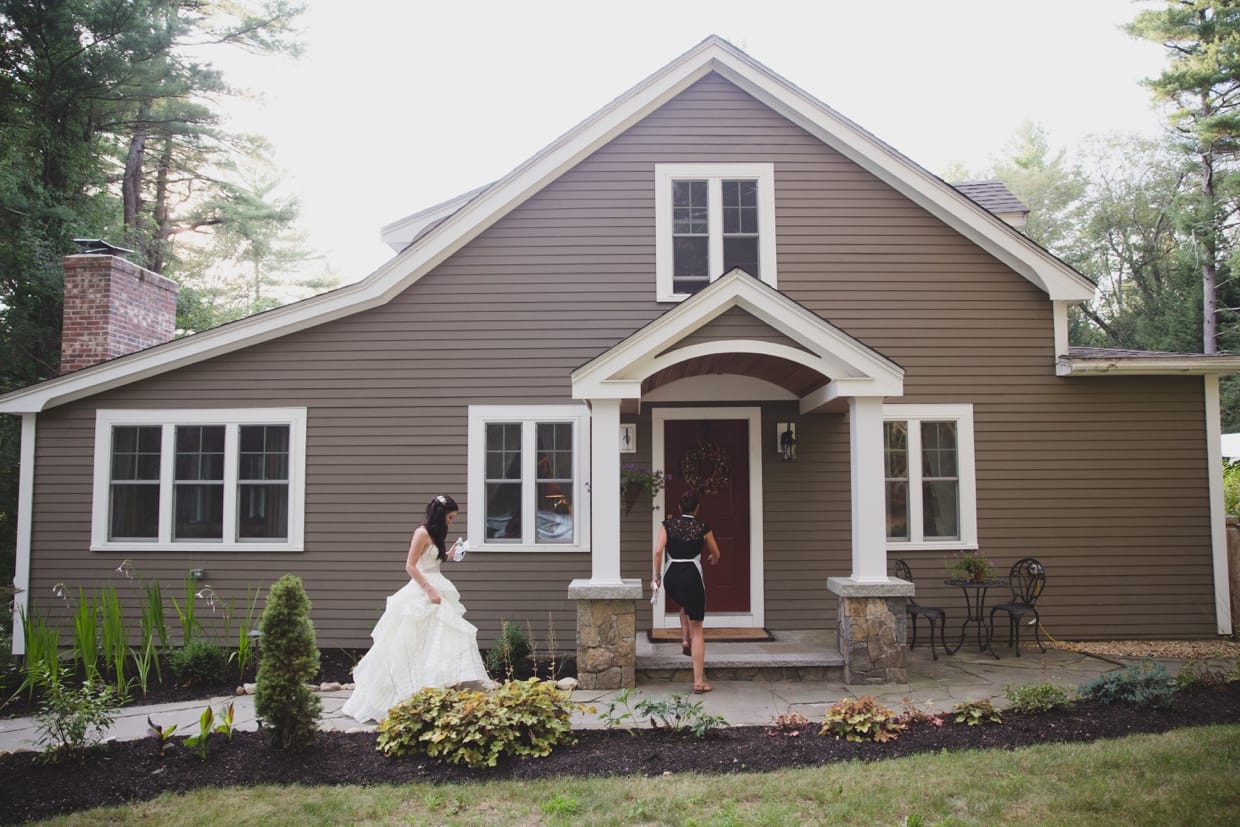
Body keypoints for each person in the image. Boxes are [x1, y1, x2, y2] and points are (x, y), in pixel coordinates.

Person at [342, 494, 491, 723]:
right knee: (410, 642)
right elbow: (410, 566)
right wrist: (429, 589)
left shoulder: (437, 534)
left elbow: (432, 561)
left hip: (439, 588)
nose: (451, 522)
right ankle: (401, 696)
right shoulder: (421, 533)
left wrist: (449, 554)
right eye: (450, 517)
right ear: (441, 514)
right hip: (423, 591)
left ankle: (434, 694)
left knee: (439, 642)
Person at [652, 490, 721, 693]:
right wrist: (714, 558)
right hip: (692, 575)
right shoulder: (702, 527)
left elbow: (658, 551)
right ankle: (699, 682)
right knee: (698, 628)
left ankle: (684, 639)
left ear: (679, 508)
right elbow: (715, 552)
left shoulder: (668, 524)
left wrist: (656, 577)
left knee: (685, 605)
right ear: (697, 508)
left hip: (672, 575)